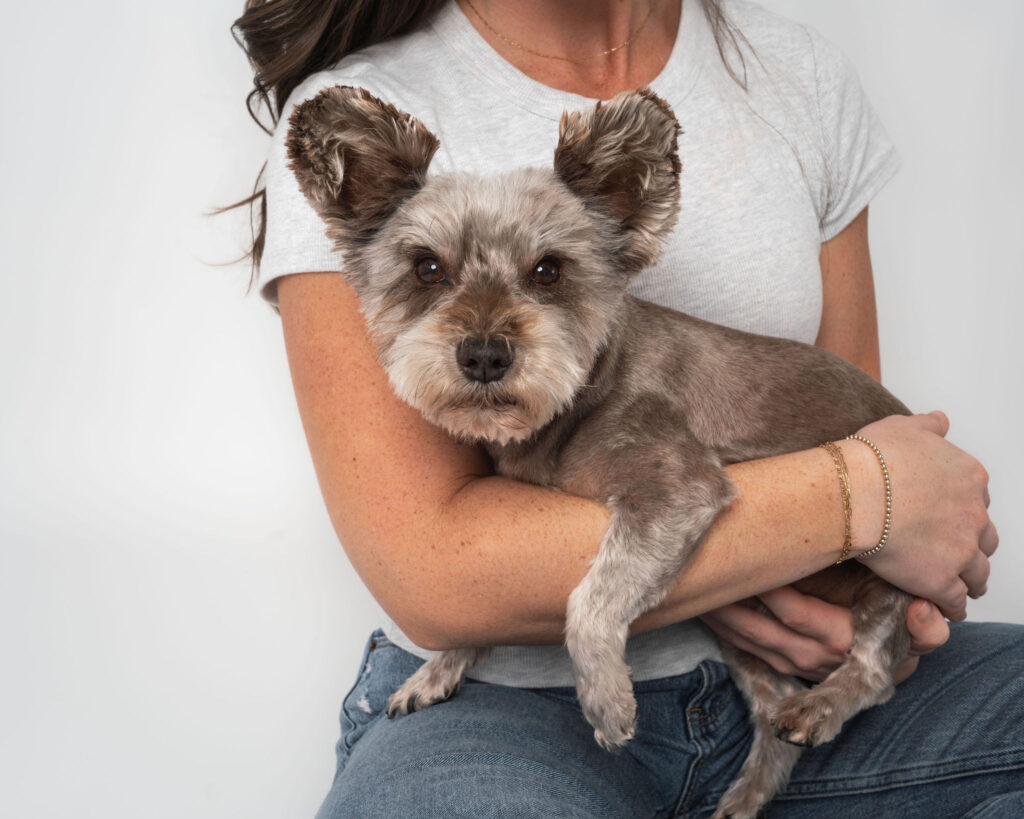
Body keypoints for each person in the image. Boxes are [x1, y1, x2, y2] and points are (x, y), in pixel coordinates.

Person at [232, 1, 1022, 815]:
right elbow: (435, 573)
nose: (484, 340)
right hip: (507, 714)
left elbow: (853, 425)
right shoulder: (367, 100)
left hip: (797, 688)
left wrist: (885, 576)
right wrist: (874, 499)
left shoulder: (799, 74)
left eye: (545, 276)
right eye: (431, 274)